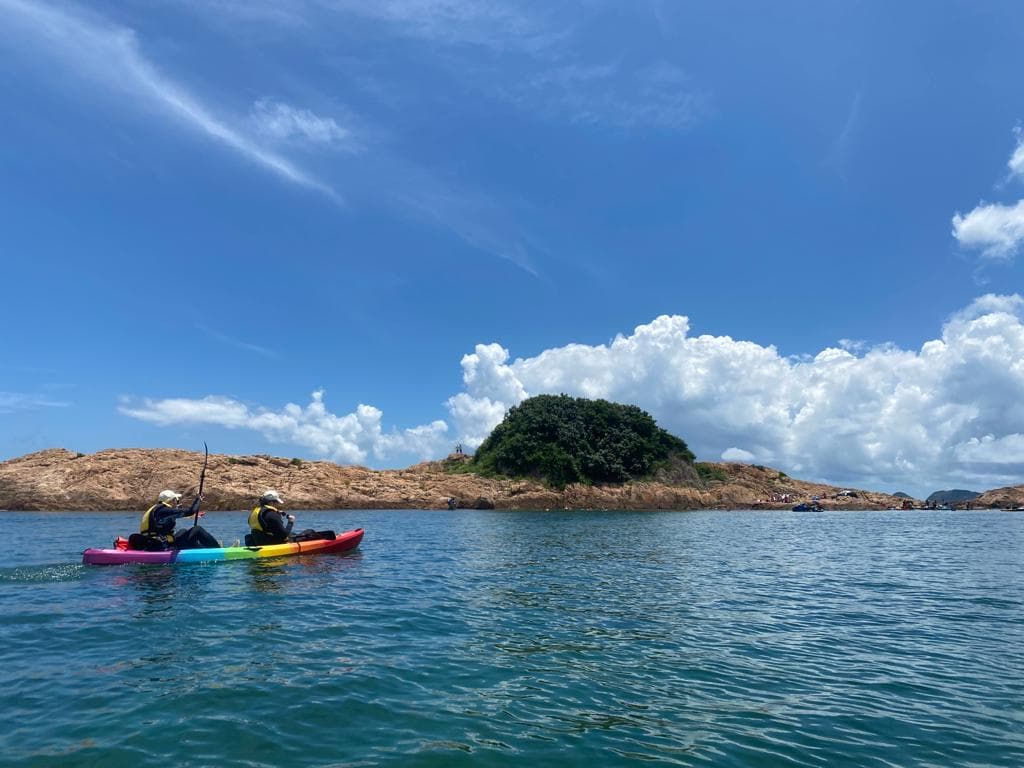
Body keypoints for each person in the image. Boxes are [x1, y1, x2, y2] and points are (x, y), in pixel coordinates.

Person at [133, 490, 220, 551]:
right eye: (176, 500)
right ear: (170, 501)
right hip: (161, 545)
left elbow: (167, 520)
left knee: (183, 531)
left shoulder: (157, 509)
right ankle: (218, 550)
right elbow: (191, 511)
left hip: (152, 542)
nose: (177, 502)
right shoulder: (164, 510)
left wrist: (177, 510)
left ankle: (202, 549)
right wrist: (198, 500)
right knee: (197, 529)